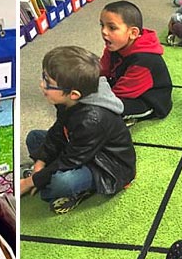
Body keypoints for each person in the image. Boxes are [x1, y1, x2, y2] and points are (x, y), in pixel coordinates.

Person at [20, 45, 136, 214]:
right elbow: (59, 129)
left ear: (73, 94)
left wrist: (31, 181)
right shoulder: (67, 100)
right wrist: (41, 161)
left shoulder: (92, 120)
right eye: (43, 77)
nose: (41, 85)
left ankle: (82, 190)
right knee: (34, 138)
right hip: (80, 147)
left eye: (48, 83)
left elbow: (70, 160)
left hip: (105, 166)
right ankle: (45, 175)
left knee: (61, 183)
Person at [99, 0, 173, 126]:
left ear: (133, 33)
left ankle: (127, 119)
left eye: (112, 28)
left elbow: (119, 94)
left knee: (105, 112)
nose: (104, 32)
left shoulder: (144, 60)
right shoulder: (114, 46)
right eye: (102, 25)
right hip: (122, 83)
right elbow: (102, 71)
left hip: (147, 100)